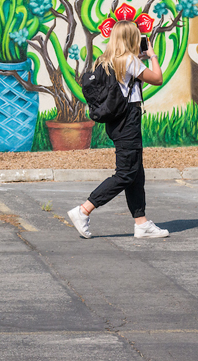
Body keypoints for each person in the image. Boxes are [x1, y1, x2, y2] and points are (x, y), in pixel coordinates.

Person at [67, 20, 169, 239]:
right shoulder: (129, 60)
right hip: (128, 121)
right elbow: (158, 79)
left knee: (136, 172)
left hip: (116, 121)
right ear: (131, 39)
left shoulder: (105, 61)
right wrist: (152, 56)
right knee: (126, 173)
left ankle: (141, 223)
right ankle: (83, 210)